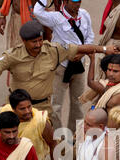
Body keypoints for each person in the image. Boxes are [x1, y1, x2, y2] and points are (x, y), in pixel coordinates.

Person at [0, 20, 118, 126]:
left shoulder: (53, 50)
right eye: (34, 42)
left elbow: (79, 48)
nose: (38, 44)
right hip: (16, 108)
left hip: (42, 108)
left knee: (44, 146)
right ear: (24, 41)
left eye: (40, 40)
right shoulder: (13, 55)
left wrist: (103, 49)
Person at [34, 0, 94, 133]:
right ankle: (59, 137)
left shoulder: (85, 15)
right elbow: (37, 12)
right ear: (65, 2)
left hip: (79, 66)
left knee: (78, 103)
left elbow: (90, 36)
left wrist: (82, 52)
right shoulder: (56, 18)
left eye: (79, 1)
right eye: (73, 2)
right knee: (55, 106)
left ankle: (74, 135)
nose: (77, 4)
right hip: (61, 67)